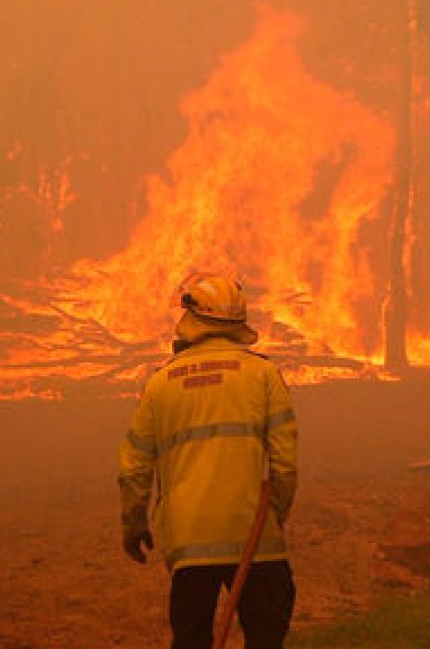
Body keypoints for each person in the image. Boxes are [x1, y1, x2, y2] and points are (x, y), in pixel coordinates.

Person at [118, 273, 298, 648]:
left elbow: (134, 468)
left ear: (191, 319)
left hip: (188, 537)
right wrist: (274, 515)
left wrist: (134, 523)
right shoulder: (263, 375)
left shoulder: (159, 384)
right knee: (267, 632)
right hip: (253, 532)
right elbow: (284, 463)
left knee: (191, 637)